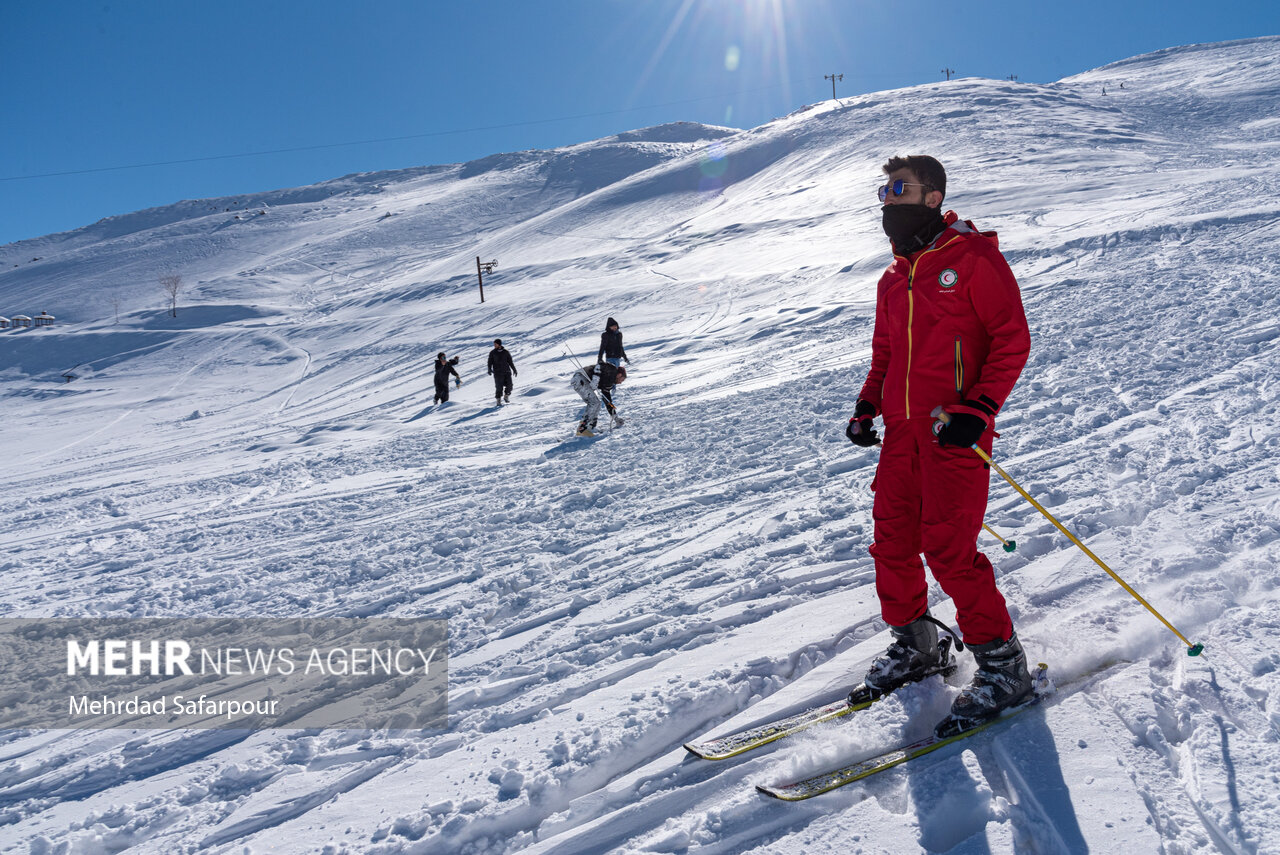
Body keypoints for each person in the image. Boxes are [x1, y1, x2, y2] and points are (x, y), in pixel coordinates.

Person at [846, 155, 1033, 734]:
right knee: (892, 542)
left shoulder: (973, 258)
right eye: (883, 190)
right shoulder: (893, 278)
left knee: (948, 548)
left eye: (899, 189)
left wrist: (979, 409)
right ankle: (919, 646)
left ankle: (1004, 666)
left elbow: (1011, 339)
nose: (887, 200)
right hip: (901, 435)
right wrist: (865, 405)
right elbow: (885, 356)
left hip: (953, 429)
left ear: (933, 197)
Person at [571, 361, 625, 436]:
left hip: (580, 381)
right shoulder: (612, 370)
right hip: (581, 378)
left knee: (596, 403)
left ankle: (590, 426)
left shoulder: (608, 382)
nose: (621, 382)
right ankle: (583, 429)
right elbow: (599, 365)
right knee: (594, 403)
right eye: (622, 379)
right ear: (619, 375)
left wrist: (616, 418)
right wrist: (595, 380)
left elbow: (608, 402)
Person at [487, 339, 517, 405]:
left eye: (495, 344)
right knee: (499, 387)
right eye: (494, 344)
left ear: (499, 344)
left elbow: (510, 362)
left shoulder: (506, 352)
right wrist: (489, 369)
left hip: (507, 372)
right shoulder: (492, 352)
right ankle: (498, 400)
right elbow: (489, 362)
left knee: (510, 386)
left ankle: (506, 396)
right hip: (498, 373)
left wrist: (514, 369)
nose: (494, 345)